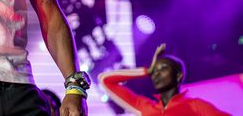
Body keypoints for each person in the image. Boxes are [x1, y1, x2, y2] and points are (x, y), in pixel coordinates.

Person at [98, 43, 231, 115]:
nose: (156, 74)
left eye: (163, 69)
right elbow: (105, 80)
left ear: (178, 75)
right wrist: (146, 70)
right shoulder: (145, 108)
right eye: (155, 71)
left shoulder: (196, 106)